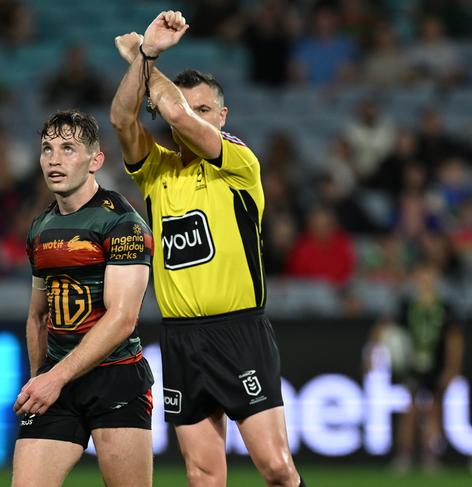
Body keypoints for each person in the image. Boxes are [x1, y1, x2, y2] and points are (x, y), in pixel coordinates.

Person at [110, 10, 306, 487]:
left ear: (222, 117)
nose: (190, 118)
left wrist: (145, 56)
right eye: (188, 108)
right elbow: (120, 118)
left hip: (239, 331)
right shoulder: (157, 170)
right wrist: (145, 61)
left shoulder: (238, 163)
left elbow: (173, 111)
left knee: (277, 469)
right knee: (202, 474)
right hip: (181, 338)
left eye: (204, 111)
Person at [11, 110, 155, 487]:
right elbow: (38, 317)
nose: (54, 159)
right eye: (47, 149)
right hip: (57, 381)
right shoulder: (41, 227)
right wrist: (39, 379)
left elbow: (123, 318)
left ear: (96, 160)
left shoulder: (122, 224)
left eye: (68, 149)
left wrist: (53, 378)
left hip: (116, 380)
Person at [366, 263, 464, 473]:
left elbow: (454, 339)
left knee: (434, 410)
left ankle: (431, 458)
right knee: (409, 409)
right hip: (411, 364)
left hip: (435, 365)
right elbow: (384, 326)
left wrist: (452, 368)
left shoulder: (445, 307)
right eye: (422, 275)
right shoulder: (407, 305)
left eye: (430, 275)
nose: (426, 280)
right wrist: (372, 353)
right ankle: (404, 457)